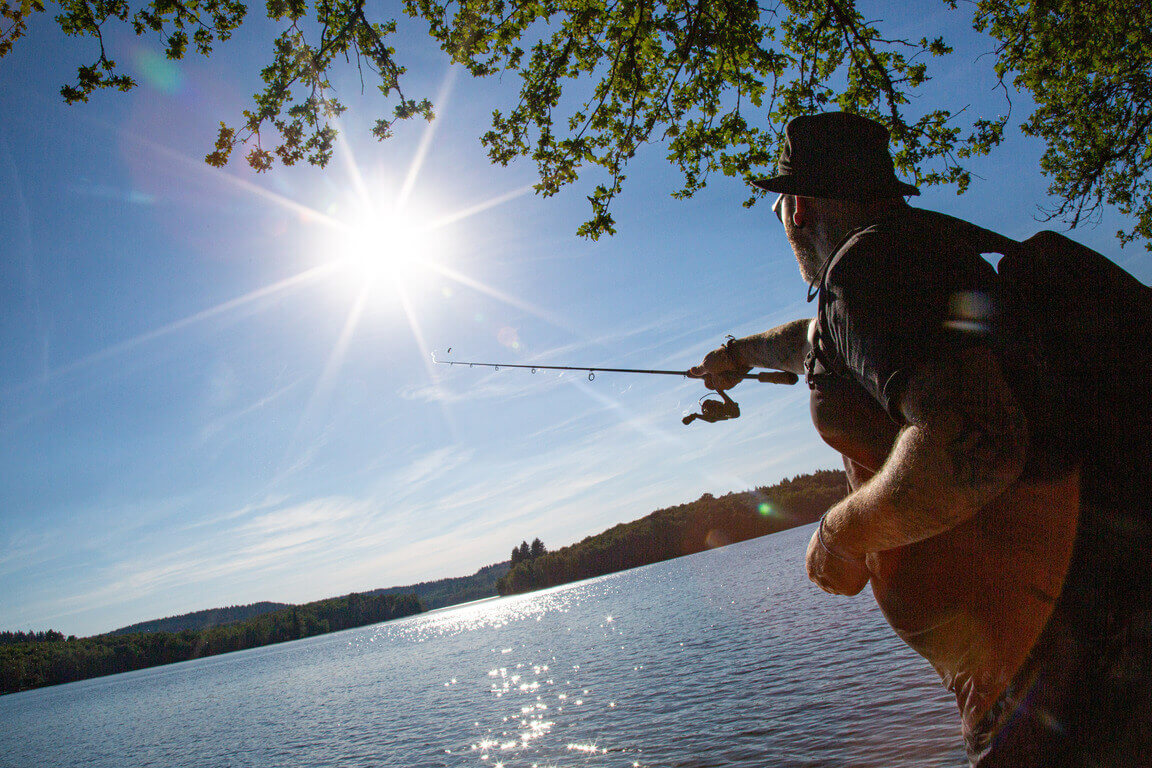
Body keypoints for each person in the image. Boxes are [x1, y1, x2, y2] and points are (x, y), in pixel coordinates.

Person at [690, 111, 1152, 766]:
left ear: (797, 209)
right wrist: (738, 353)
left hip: (1062, 680)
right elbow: (820, 346)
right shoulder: (917, 258)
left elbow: (978, 443)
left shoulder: (867, 271)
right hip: (1087, 645)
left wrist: (841, 535)